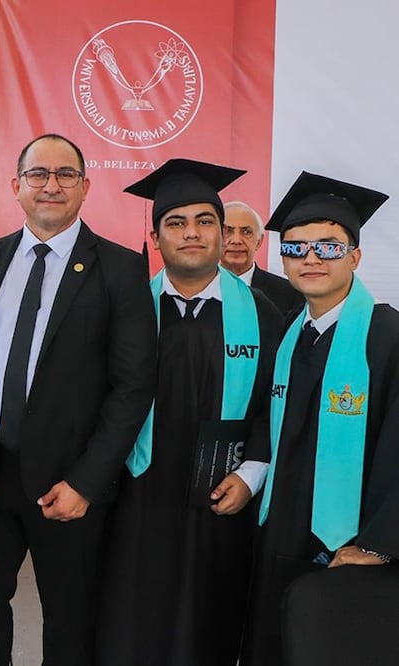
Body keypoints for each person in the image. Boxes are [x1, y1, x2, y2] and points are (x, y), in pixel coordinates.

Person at [0, 133, 156, 666]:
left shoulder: (120, 269)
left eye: (66, 175)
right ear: (16, 185)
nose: (52, 185)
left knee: (69, 623)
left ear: (86, 187)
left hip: (69, 488)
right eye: (38, 174)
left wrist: (87, 482)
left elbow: (133, 386)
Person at [96, 159, 281, 665]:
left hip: (223, 493)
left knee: (211, 619)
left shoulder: (264, 311)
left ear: (224, 235)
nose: (191, 233)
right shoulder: (127, 309)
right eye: (175, 223)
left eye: (205, 221)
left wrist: (252, 475)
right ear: (155, 238)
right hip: (139, 492)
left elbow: (276, 401)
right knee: (134, 614)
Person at [241, 172, 399, 665]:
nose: (311, 258)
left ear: (354, 256)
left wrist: (378, 546)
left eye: (329, 247)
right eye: (295, 247)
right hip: (282, 533)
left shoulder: (389, 336)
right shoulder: (288, 333)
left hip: (353, 543)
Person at [221, 201, 303, 315]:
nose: (236, 241)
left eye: (246, 232)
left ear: (259, 242)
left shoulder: (290, 294)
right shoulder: (197, 288)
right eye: (228, 231)